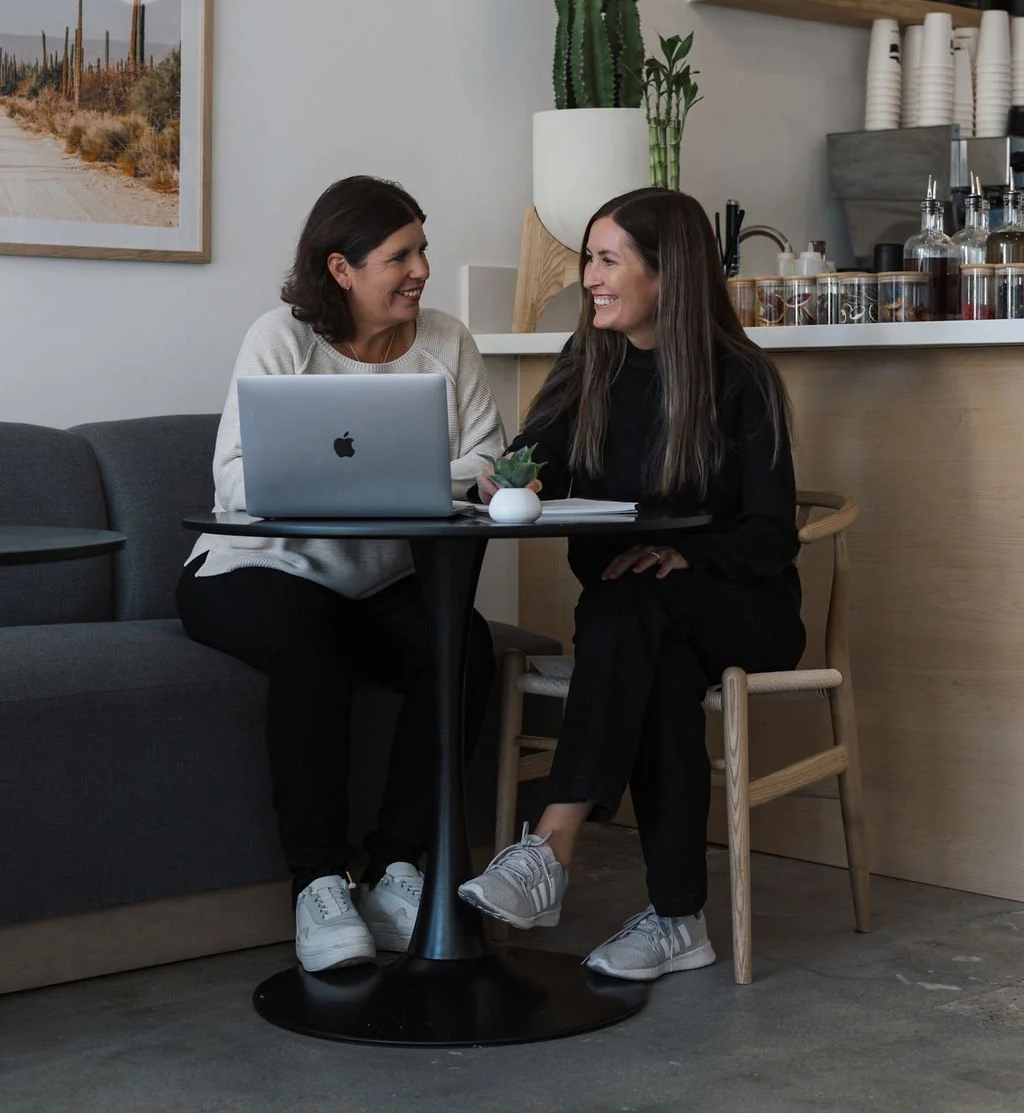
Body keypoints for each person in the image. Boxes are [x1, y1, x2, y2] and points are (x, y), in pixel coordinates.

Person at [458, 187, 804, 982]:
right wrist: (503, 480)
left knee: (636, 611)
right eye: (590, 258)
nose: (589, 278)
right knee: (651, 658)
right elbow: (521, 463)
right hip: (636, 618)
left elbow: (770, 534)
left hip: (741, 609)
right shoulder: (589, 369)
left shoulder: (741, 380)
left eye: (608, 259)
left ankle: (551, 845)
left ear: (667, 273)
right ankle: (678, 919)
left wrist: (692, 557)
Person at [176, 176, 503, 973]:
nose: (421, 268)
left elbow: (490, 460)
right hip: (254, 570)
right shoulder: (282, 339)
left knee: (463, 646)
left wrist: (393, 477)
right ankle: (318, 884)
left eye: (423, 247)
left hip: (375, 583)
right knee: (308, 644)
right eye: (400, 255)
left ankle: (397, 870)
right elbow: (234, 483)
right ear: (341, 269)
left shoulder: (449, 341)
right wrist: (421, 476)